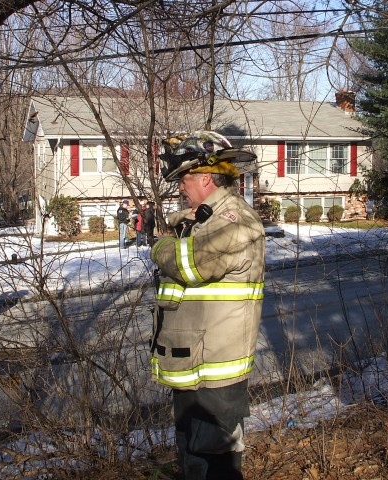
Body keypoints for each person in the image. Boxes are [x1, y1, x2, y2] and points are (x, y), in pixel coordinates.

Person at [150, 131, 264, 480]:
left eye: (184, 179)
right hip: (196, 367)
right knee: (193, 460)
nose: (181, 187)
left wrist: (161, 247)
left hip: (216, 375)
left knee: (214, 465)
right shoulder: (205, 220)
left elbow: (191, 265)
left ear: (204, 177)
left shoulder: (236, 222)